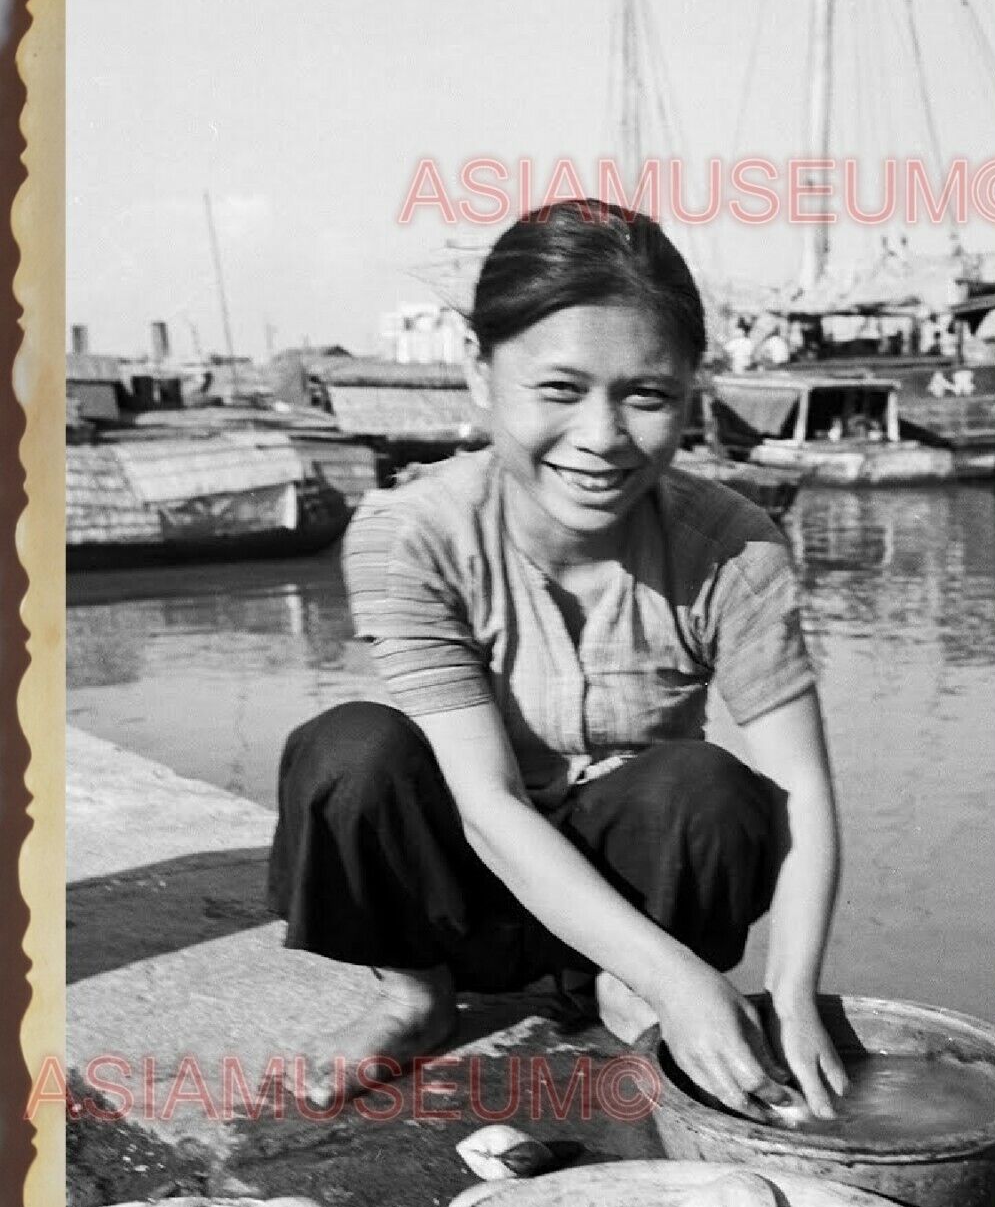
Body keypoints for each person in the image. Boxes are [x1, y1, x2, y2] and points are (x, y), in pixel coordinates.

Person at [268, 202, 847, 1120]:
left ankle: (629, 994)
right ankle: (415, 1000)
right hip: (464, 894)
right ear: (478, 375)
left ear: (690, 393)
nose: (603, 436)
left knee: (710, 784)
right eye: (560, 389)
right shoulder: (408, 533)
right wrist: (695, 981)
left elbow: (803, 791)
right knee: (348, 753)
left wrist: (794, 993)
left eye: (646, 395)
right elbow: (489, 807)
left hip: (623, 900)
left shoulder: (735, 546)